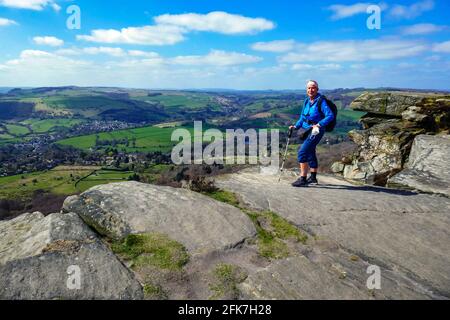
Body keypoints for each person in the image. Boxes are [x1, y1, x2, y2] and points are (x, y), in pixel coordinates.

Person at [289, 80, 335, 187]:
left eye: (313, 87)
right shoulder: (306, 101)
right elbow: (302, 117)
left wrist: (319, 124)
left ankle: (303, 178)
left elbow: (330, 115)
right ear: (306, 90)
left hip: (316, 131)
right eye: (309, 88)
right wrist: (296, 126)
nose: (311, 90)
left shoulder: (321, 101)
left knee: (302, 152)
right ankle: (313, 178)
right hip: (306, 130)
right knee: (310, 152)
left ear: (317, 89)